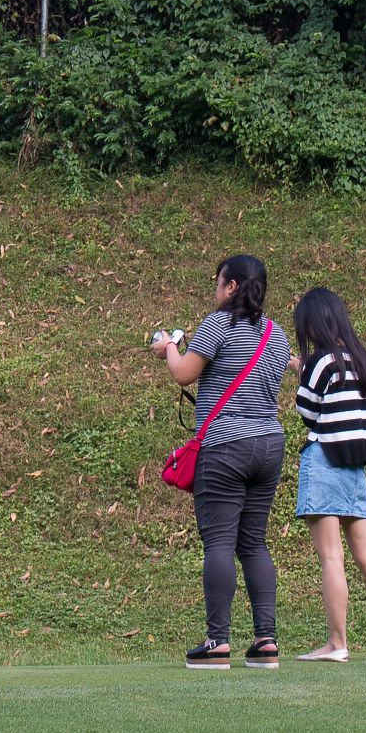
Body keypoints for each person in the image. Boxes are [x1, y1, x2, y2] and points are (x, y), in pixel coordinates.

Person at [152, 255, 291, 670]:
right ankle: (266, 640)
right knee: (254, 543)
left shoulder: (217, 325)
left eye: (218, 282)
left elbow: (184, 374)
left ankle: (217, 642)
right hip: (269, 444)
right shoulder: (276, 334)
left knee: (218, 543)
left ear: (231, 287)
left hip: (226, 445)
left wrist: (169, 347)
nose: (216, 289)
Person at [288, 287, 366, 662]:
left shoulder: (320, 362)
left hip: (324, 460)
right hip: (355, 468)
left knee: (331, 558)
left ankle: (337, 643)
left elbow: (307, 411)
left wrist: (302, 371)